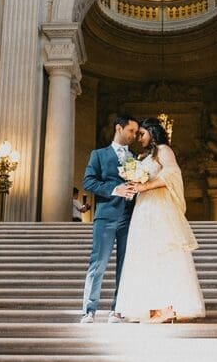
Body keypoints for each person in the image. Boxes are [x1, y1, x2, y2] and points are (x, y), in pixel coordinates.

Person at [114, 118, 205, 323]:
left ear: (153, 133)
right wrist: (134, 181)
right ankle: (153, 307)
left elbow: (172, 174)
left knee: (162, 252)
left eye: (142, 134)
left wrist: (144, 186)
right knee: (145, 254)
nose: (139, 138)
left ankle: (168, 307)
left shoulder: (164, 150)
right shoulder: (144, 156)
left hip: (159, 208)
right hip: (143, 209)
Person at [79, 114, 140, 323]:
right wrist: (115, 189)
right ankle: (89, 310)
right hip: (106, 216)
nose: (134, 135)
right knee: (99, 263)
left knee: (125, 265)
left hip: (129, 217)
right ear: (118, 128)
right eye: (131, 131)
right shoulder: (98, 154)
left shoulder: (134, 158)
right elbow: (88, 182)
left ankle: (117, 309)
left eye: (136, 132)